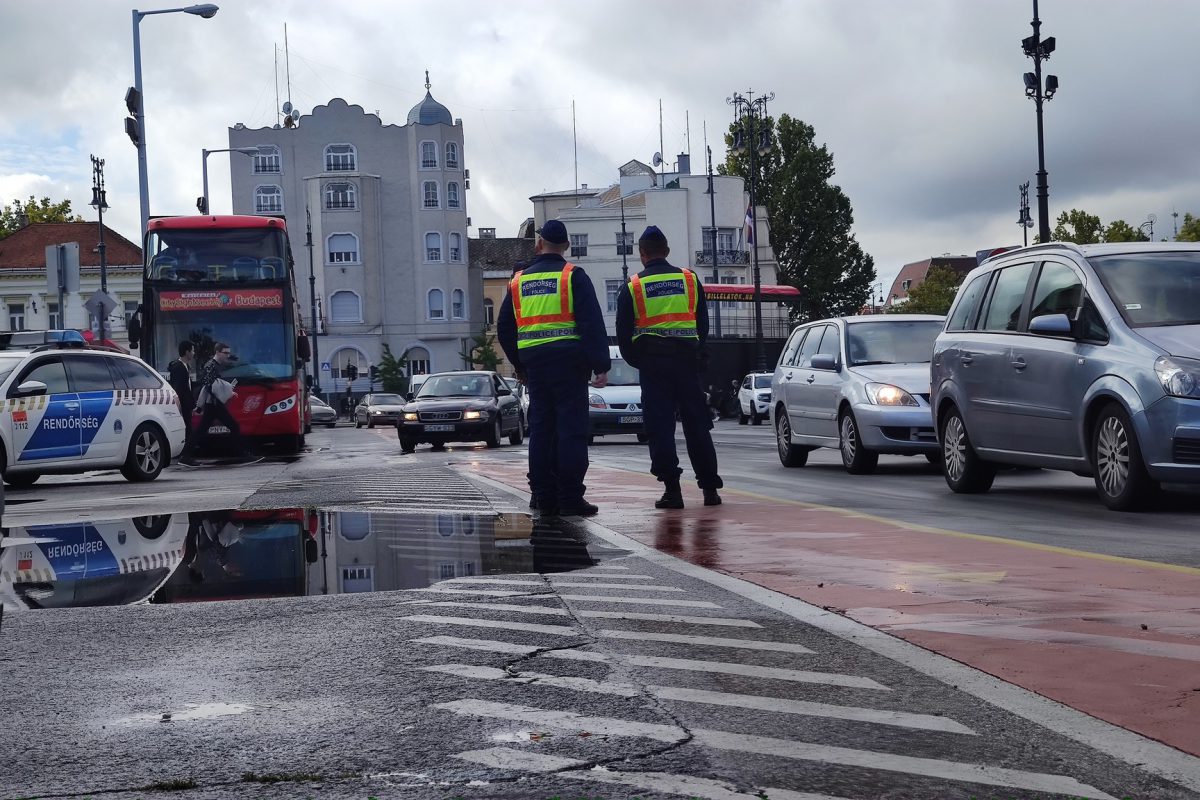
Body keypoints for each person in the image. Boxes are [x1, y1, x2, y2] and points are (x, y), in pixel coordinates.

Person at [498, 219, 610, 517]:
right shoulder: (573, 276)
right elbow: (591, 323)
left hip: (535, 365)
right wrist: (600, 364)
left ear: (539, 244)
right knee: (571, 430)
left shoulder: (518, 281)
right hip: (569, 364)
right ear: (567, 247)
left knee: (541, 430)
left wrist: (519, 364)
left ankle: (542, 495)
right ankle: (570, 496)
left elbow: (505, 329)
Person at [617, 225, 723, 509]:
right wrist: (697, 353)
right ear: (667, 251)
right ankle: (710, 489)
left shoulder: (633, 287)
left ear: (642, 254)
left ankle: (672, 490)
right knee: (697, 426)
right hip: (687, 362)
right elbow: (702, 324)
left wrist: (639, 361)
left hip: (653, 365)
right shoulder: (689, 280)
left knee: (660, 428)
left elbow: (623, 335)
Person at [193, 342, 253, 460]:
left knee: (203, 430)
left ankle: (242, 453)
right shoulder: (211, 365)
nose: (227, 355)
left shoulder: (214, 365)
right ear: (217, 352)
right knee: (233, 426)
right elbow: (209, 386)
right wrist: (228, 391)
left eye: (228, 353)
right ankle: (241, 453)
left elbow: (208, 386)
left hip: (214, 404)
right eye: (225, 353)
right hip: (214, 404)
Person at [168, 341, 197, 464]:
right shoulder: (178, 367)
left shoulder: (184, 366)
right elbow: (179, 388)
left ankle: (186, 456)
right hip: (182, 405)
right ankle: (185, 456)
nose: (194, 353)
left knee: (188, 429)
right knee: (187, 430)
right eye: (192, 350)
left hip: (187, 404)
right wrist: (179, 405)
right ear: (187, 352)